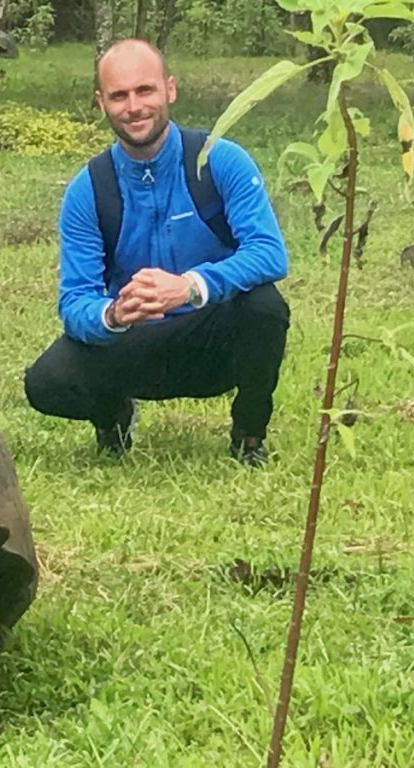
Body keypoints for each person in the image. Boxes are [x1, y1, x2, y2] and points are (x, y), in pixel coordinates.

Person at [23, 38, 290, 467]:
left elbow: (269, 253)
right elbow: (75, 301)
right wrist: (112, 315)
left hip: (212, 336)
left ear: (170, 89)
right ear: (101, 103)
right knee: (46, 383)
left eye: (144, 90)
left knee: (264, 305)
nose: (134, 106)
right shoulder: (88, 190)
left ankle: (249, 435)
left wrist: (190, 286)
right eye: (119, 95)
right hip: (134, 341)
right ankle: (114, 415)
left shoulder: (219, 161)